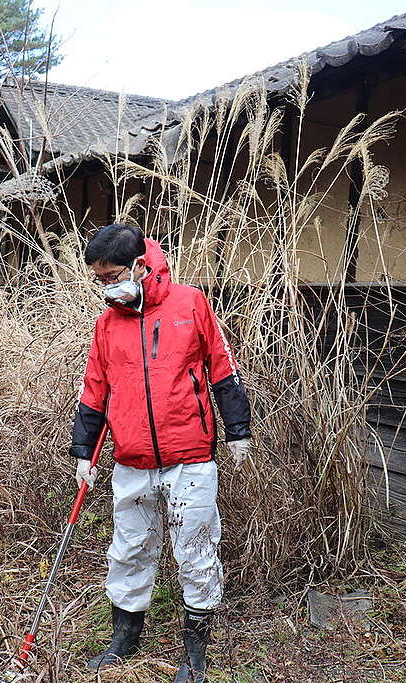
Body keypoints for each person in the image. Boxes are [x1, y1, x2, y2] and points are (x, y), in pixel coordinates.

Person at [70, 224, 252, 682]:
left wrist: (238, 428)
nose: (107, 286)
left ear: (138, 264)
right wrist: (82, 452)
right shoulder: (106, 325)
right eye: (100, 279)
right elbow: (95, 391)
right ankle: (124, 638)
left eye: (112, 275)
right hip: (131, 459)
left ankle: (195, 652)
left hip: (189, 456)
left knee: (195, 549)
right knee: (129, 550)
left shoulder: (190, 304)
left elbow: (222, 369)